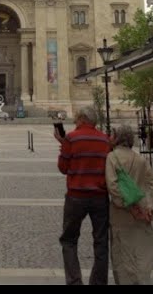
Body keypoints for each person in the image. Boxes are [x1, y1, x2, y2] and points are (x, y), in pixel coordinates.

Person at [54, 105, 111, 286]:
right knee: (101, 241)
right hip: (100, 197)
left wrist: (63, 144)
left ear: (82, 120)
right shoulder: (105, 140)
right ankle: (98, 283)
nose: (75, 122)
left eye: (77, 119)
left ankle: (74, 282)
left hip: (76, 196)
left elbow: (63, 168)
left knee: (69, 240)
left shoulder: (71, 138)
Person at [105, 124, 153, 285]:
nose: (109, 137)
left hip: (120, 218)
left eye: (111, 134)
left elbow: (112, 186)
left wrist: (128, 205)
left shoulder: (112, 158)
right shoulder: (140, 159)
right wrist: (150, 207)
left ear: (117, 137)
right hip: (140, 218)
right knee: (140, 259)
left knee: (122, 262)